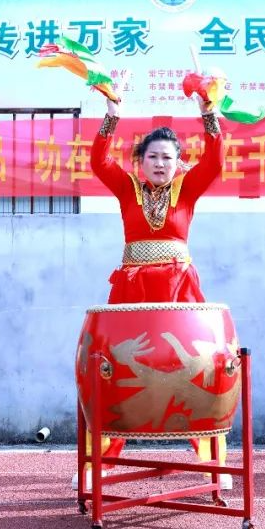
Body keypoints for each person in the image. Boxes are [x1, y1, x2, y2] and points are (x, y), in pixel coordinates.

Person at [76, 86, 227, 490]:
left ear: (179, 163)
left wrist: (208, 113)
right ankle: (98, 463)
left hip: (179, 289)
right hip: (132, 289)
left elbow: (215, 161)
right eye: (153, 157)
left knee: (197, 368)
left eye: (167, 157)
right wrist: (112, 114)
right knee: (115, 367)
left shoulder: (186, 190)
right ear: (140, 162)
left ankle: (212, 462)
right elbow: (98, 161)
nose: (160, 163)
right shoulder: (127, 189)